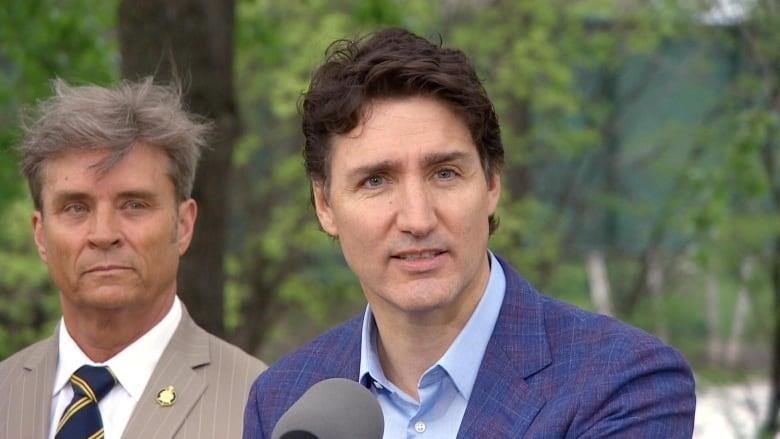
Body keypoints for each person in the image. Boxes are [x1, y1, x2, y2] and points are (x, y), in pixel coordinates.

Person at [243, 27, 696, 438]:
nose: (417, 220)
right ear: (325, 205)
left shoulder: (623, 383)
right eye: (376, 181)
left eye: (444, 173)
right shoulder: (282, 400)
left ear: (492, 184)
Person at [0, 78, 266, 439]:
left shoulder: (260, 403)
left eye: (134, 205)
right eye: (76, 207)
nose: (104, 233)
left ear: (183, 225)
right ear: (40, 234)